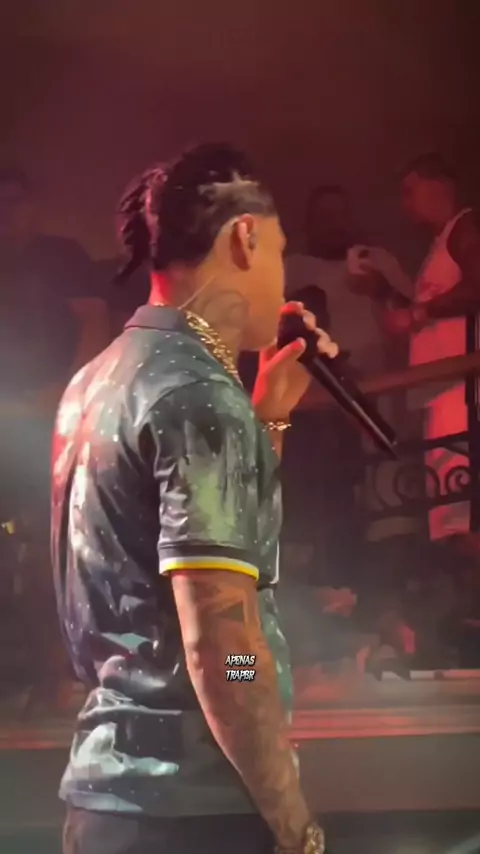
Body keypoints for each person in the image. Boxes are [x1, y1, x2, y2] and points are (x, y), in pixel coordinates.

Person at [52, 143, 327, 854]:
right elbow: (223, 647)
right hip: (195, 811)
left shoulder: (95, 381)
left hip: (108, 801)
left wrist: (267, 420)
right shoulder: (201, 396)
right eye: (279, 253)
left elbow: (175, 562)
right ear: (245, 238)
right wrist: (292, 819)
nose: (281, 278)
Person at [386, 153, 480, 540]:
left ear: (439, 186)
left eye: (411, 190)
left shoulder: (464, 229)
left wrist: (421, 312)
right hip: (444, 393)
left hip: (462, 393)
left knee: (461, 516)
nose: (405, 202)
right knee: (450, 515)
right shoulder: (441, 243)